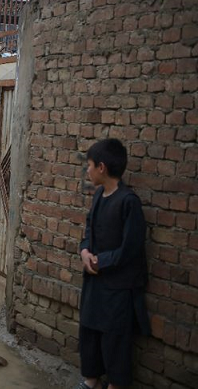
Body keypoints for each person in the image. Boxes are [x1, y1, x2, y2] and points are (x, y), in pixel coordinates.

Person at [77, 138, 149, 389]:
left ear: (102, 168)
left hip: (117, 288)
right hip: (95, 282)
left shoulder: (129, 202)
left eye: (89, 165)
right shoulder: (99, 196)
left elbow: (131, 249)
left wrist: (101, 262)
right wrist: (85, 251)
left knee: (114, 342)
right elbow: (89, 229)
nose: (87, 170)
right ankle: (90, 381)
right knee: (89, 334)